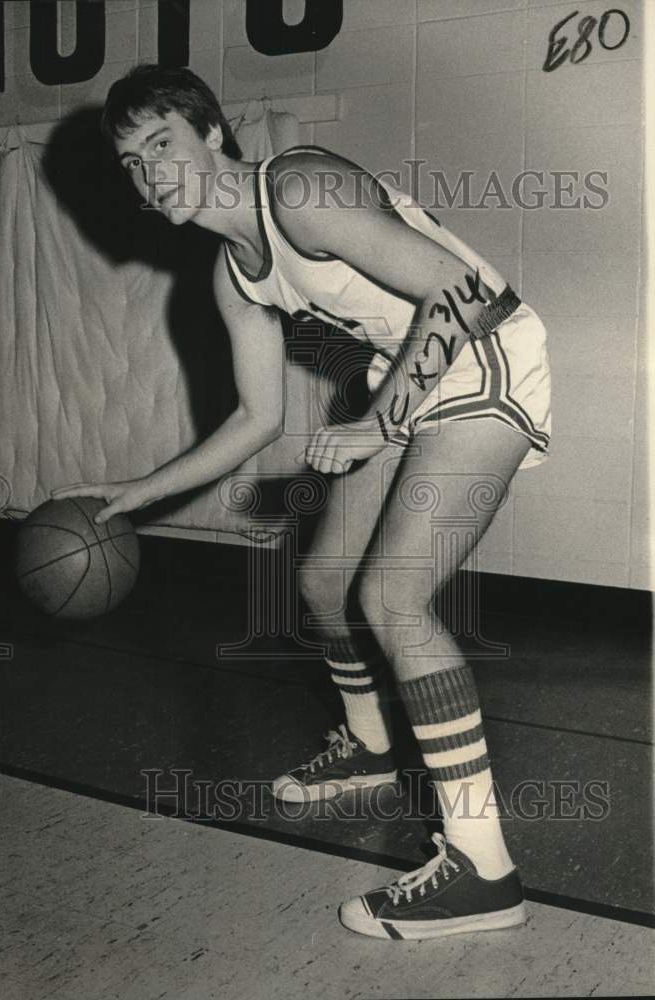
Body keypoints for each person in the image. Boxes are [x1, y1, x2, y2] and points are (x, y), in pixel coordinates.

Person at [52, 64, 551, 941]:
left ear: (212, 136)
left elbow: (464, 295)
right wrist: (129, 496)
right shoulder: (233, 275)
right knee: (322, 585)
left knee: (392, 600)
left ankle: (484, 870)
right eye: (130, 162)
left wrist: (373, 427)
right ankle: (367, 745)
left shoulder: (299, 186)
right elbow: (253, 422)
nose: (149, 172)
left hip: (486, 354)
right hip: (408, 376)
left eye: (161, 143)